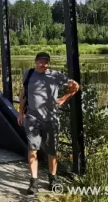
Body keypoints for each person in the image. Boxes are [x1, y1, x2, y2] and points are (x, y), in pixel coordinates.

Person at [17, 52, 79, 196]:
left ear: (48, 63)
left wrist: (64, 98)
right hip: (32, 118)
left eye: (46, 62)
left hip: (51, 119)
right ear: (35, 62)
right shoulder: (29, 74)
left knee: (52, 151)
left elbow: (75, 86)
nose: (43, 64)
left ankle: (53, 179)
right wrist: (21, 113)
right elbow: (23, 94)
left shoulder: (55, 75)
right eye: (40, 61)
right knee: (32, 150)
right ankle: (34, 181)